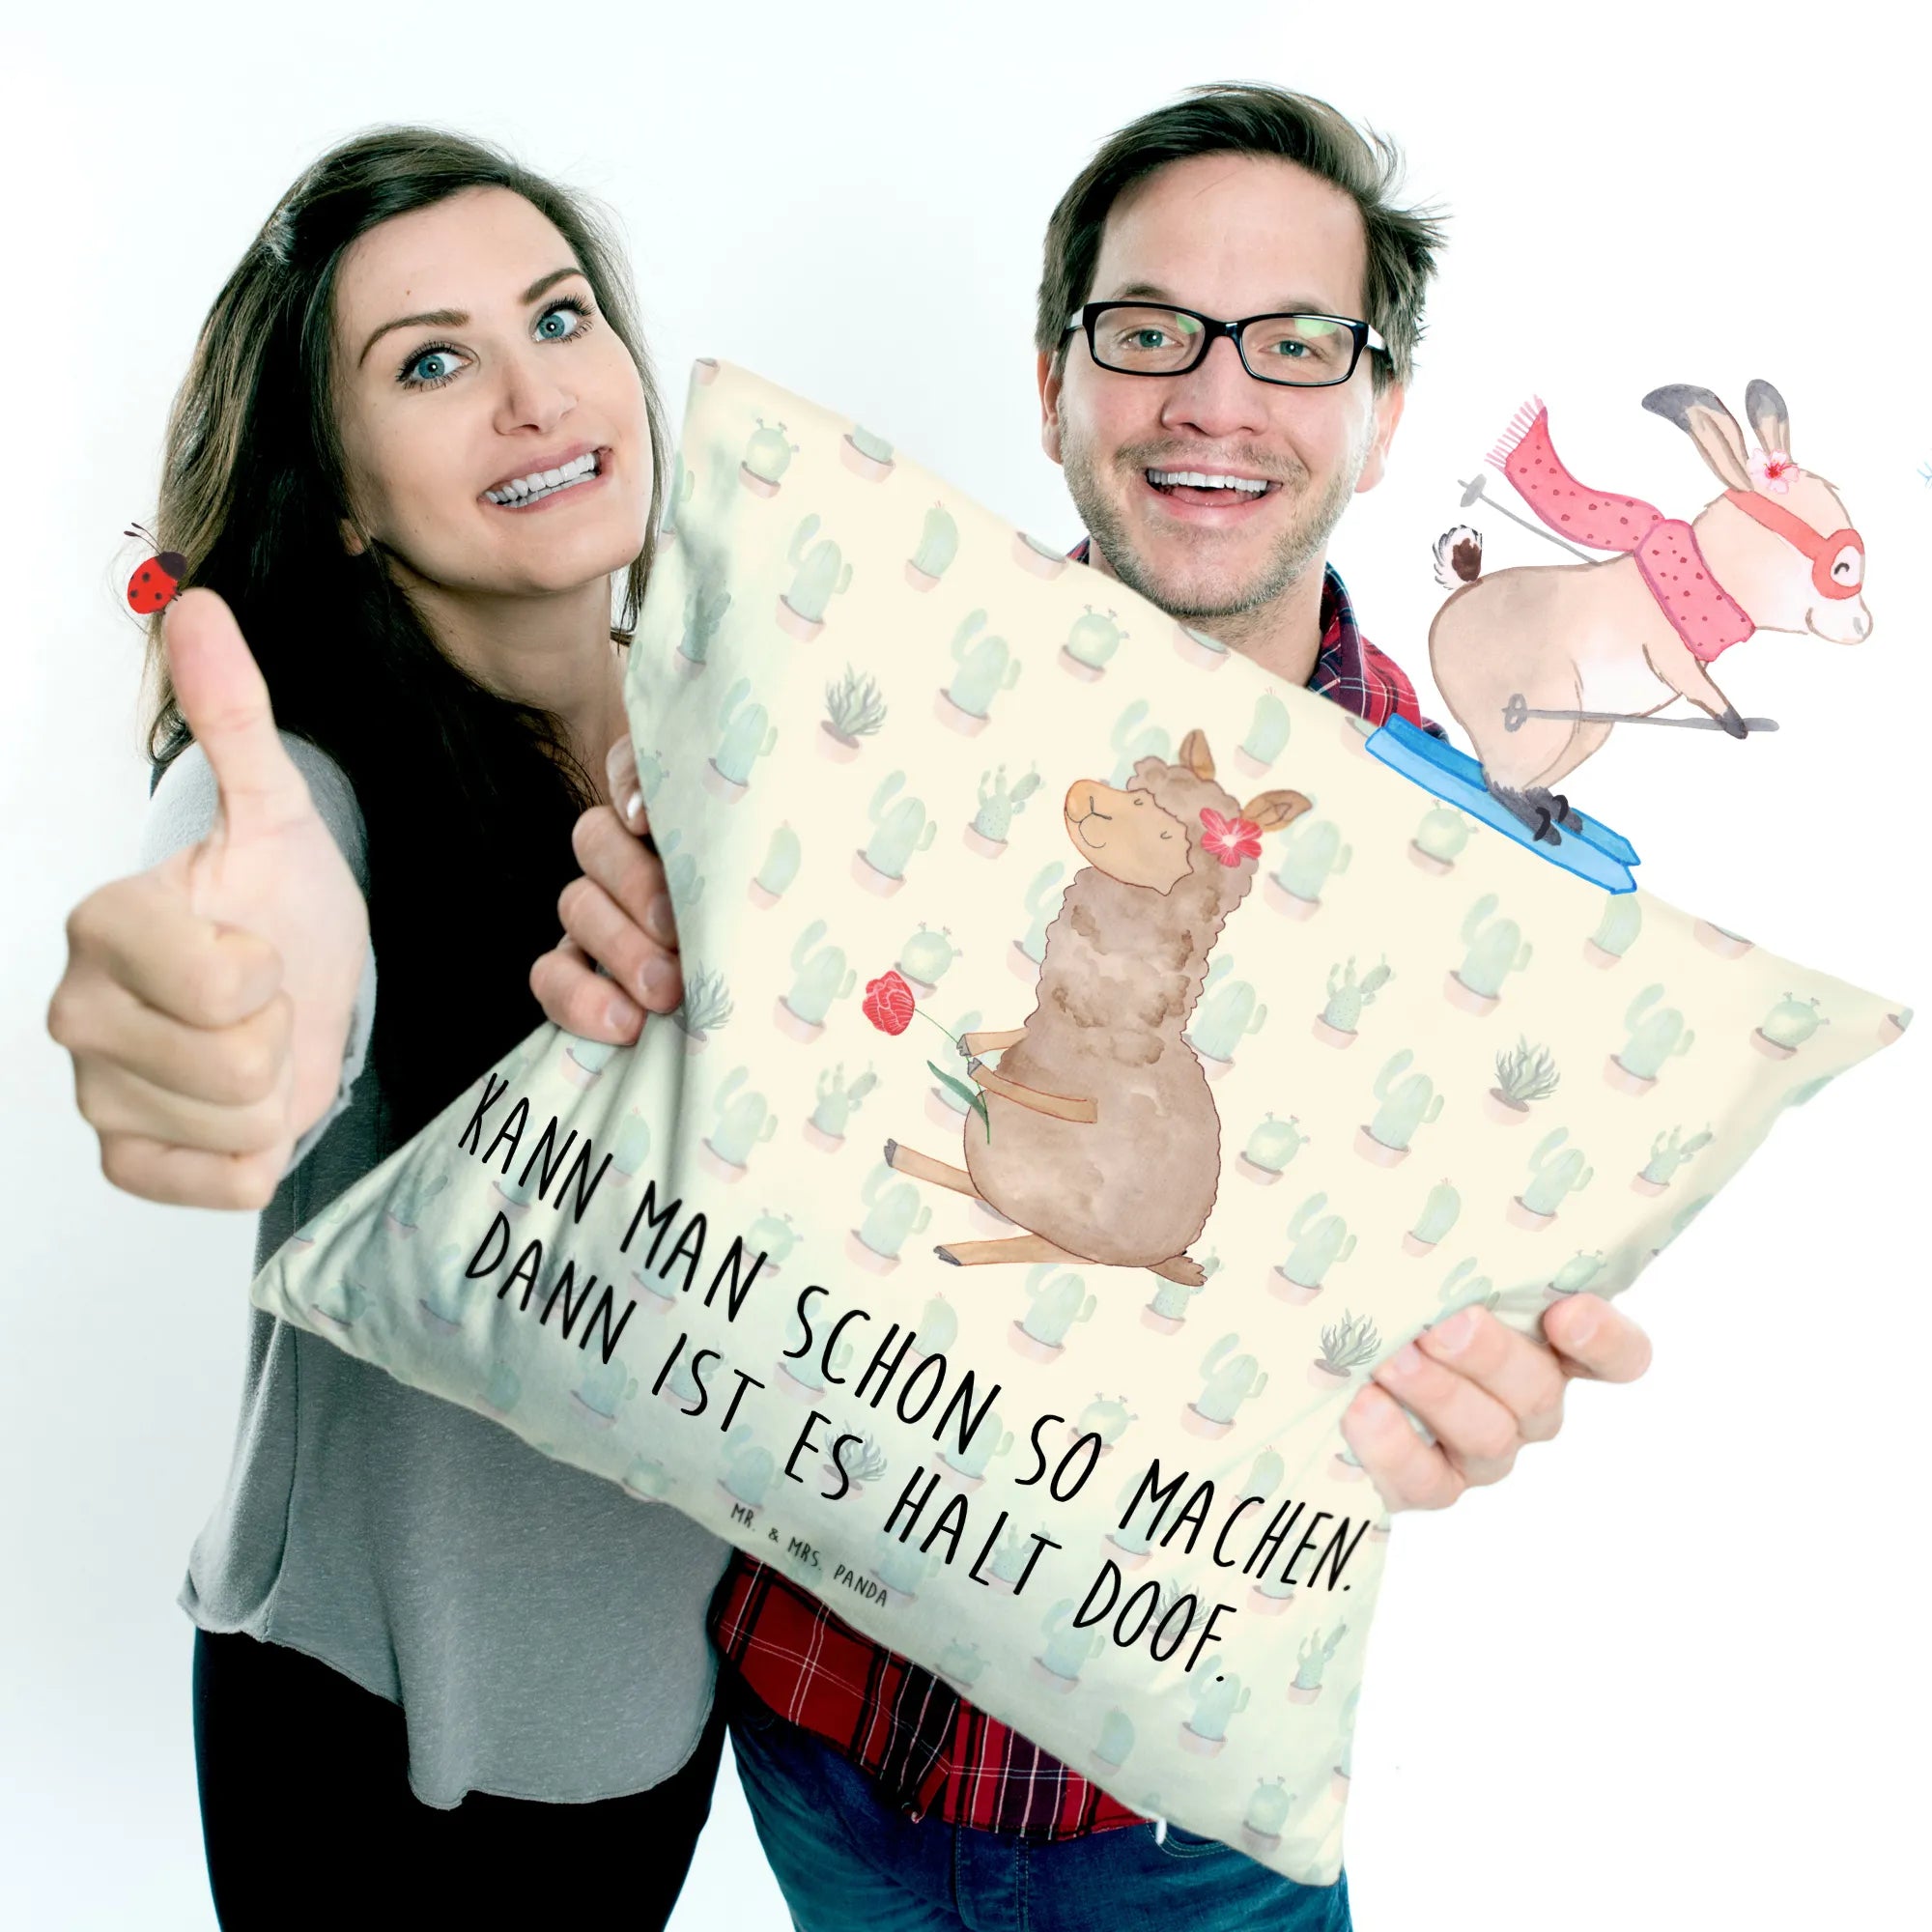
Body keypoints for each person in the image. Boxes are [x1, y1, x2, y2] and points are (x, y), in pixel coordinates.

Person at [534, 84, 1656, 1930]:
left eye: (1296, 343)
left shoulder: (1480, 892)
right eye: (1150, 333)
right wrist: (630, 984)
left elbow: (1429, 1323)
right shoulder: (849, 712)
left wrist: (1476, 1376)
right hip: (806, 1736)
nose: (1216, 398)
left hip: (1178, 1823)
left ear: (1380, 418)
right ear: (1055, 383)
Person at [44, 130, 722, 1928]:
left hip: (662, 1714)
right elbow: (250, 898)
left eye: (558, 318)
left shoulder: (736, 744)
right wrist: (220, 998)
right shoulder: (310, 784)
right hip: (378, 1747)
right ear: (341, 496)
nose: (532, 394)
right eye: (430, 363)